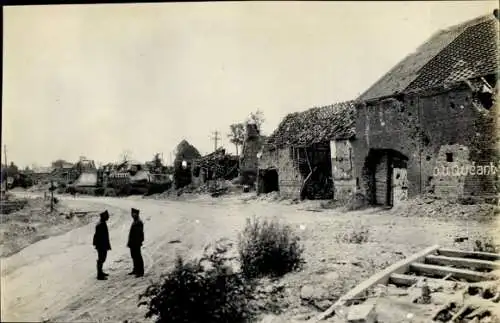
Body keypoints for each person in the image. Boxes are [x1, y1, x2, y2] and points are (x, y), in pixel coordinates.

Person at [93, 210, 111, 280]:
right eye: (107, 216)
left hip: (102, 245)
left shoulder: (102, 223)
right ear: (103, 216)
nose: (108, 217)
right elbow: (98, 237)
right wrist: (101, 246)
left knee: (102, 259)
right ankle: (99, 275)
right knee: (101, 259)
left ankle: (100, 272)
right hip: (101, 245)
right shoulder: (101, 224)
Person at [127, 208, 144, 277]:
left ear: (137, 214)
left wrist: (136, 243)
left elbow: (137, 235)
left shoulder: (138, 222)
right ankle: (135, 270)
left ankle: (140, 272)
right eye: (132, 213)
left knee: (138, 257)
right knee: (134, 256)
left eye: (134, 213)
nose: (132, 215)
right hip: (133, 243)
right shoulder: (135, 221)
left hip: (136, 243)